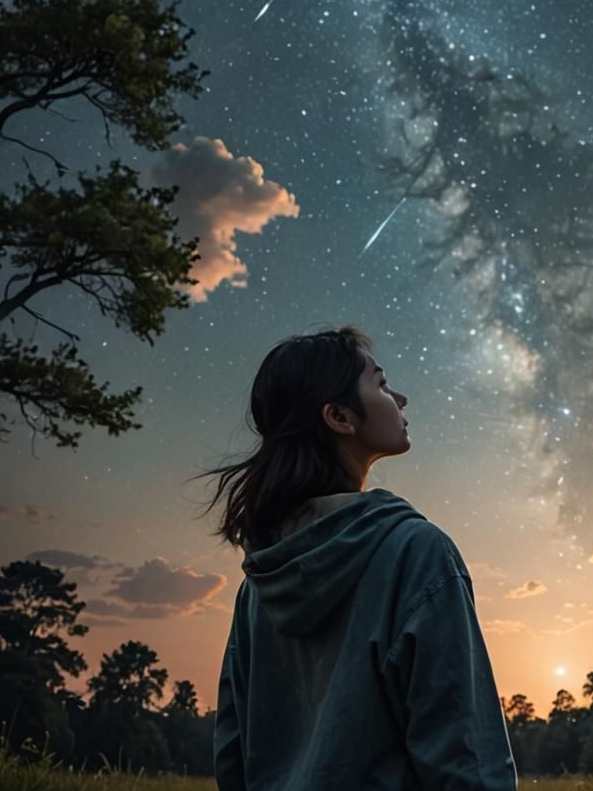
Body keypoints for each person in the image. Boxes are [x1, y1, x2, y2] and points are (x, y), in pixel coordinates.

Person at [207, 323, 517, 790]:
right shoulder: (417, 553)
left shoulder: (258, 588)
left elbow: (233, 762)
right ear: (340, 417)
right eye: (382, 383)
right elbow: (467, 761)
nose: (402, 398)